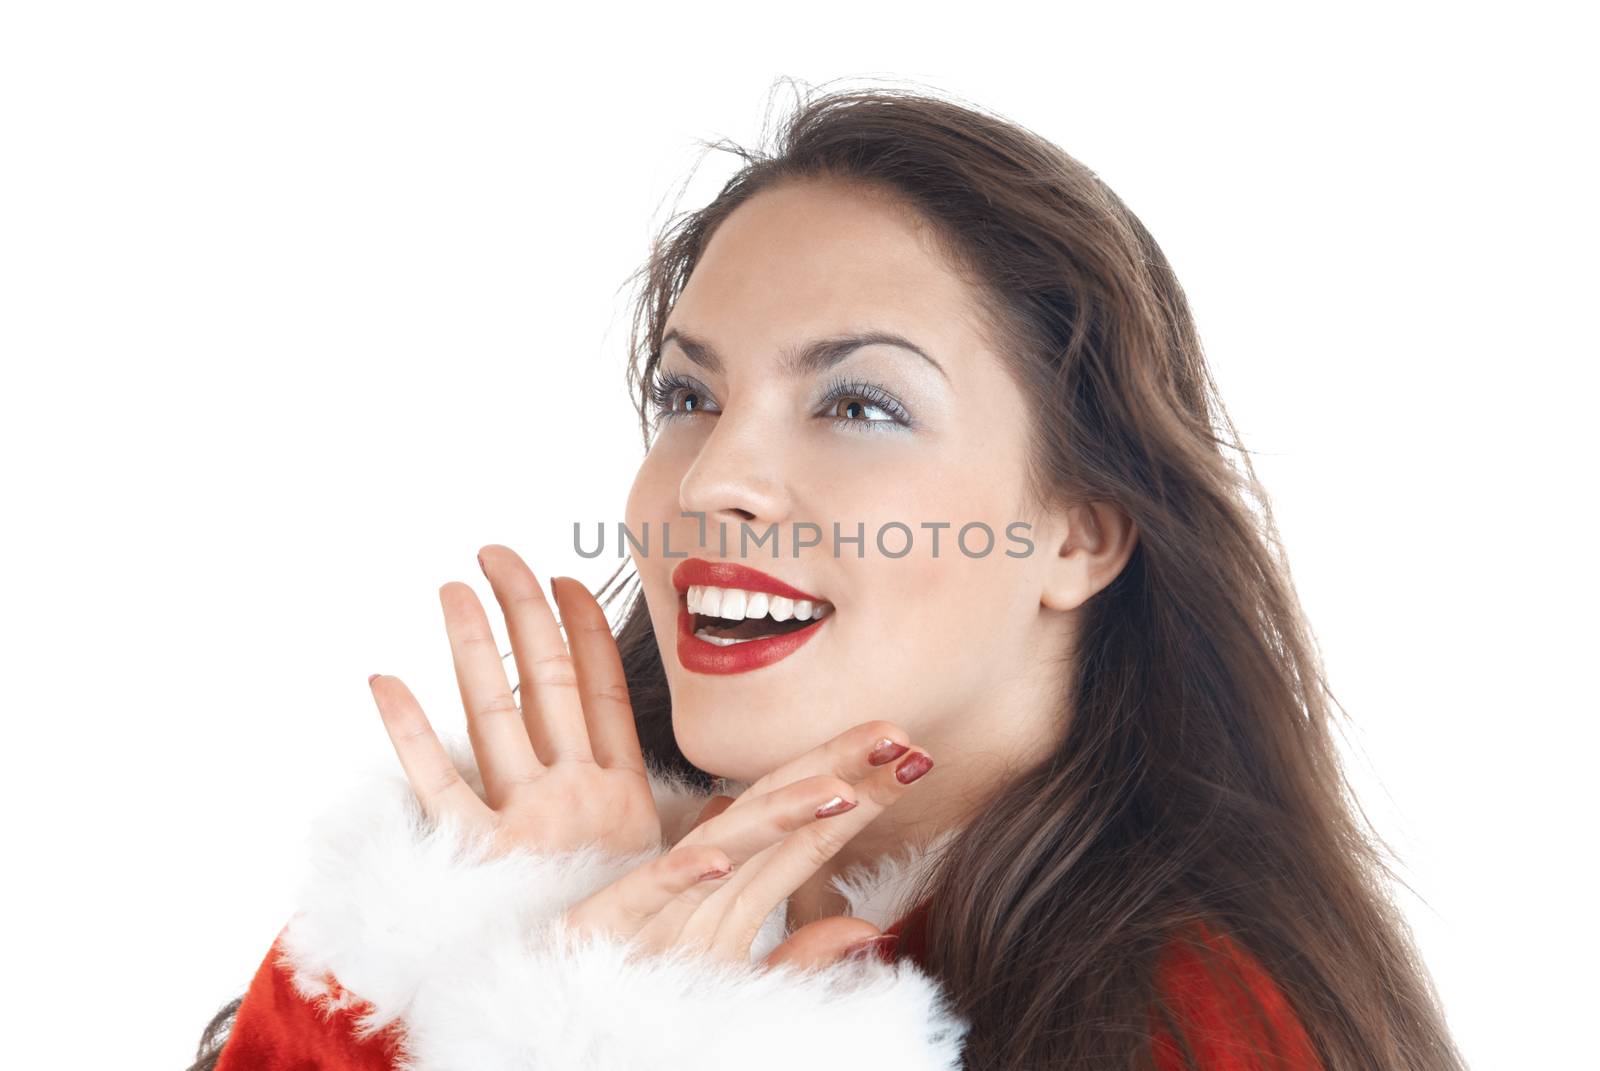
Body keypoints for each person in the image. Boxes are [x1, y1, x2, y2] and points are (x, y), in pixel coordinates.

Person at [188, 82, 1467, 1070]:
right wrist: (485, 959)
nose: (708, 482)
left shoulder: (1200, 1025)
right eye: (688, 394)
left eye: (858, 403)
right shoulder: (497, 892)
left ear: (1081, 533)